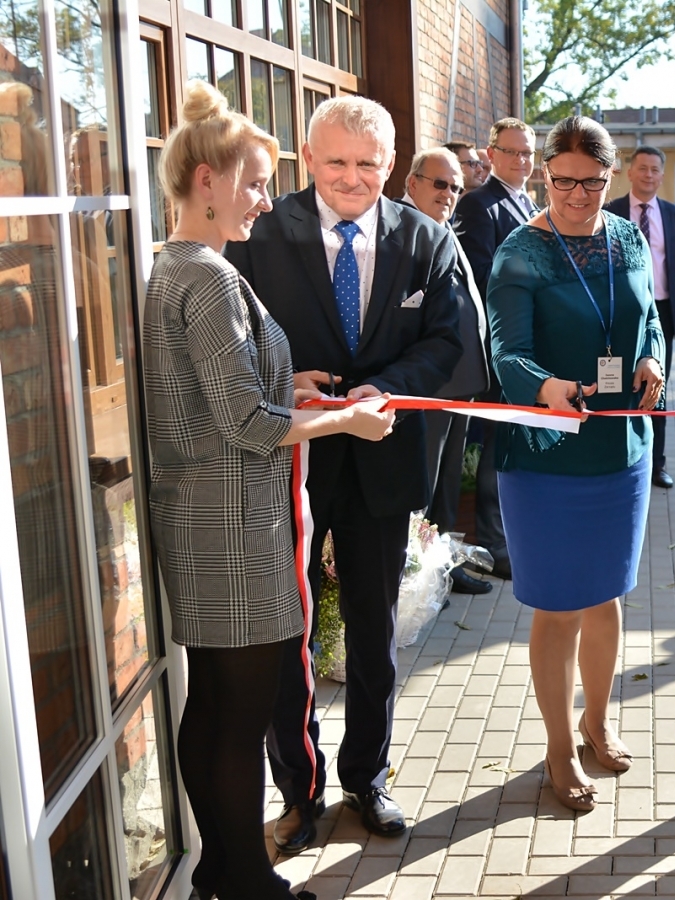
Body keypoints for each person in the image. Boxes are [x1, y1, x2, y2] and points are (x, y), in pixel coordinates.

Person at [144, 81, 396, 900]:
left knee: (213, 708)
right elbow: (248, 424)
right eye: (254, 183)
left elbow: (214, 399)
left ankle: (220, 867)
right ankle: (249, 881)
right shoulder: (211, 278)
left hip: (202, 522)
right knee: (238, 716)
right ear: (207, 181)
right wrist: (345, 420)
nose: (265, 199)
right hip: (235, 531)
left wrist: (293, 387)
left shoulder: (174, 267)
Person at [225, 95, 462, 852]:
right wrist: (283, 381)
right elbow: (230, 343)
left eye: (367, 164)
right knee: (286, 633)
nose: (352, 177)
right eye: (335, 162)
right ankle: (300, 791)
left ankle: (368, 776)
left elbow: (449, 342)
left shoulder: (426, 240)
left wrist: (385, 386)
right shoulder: (260, 233)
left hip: (382, 462)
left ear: (390, 163)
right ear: (307, 158)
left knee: (374, 630)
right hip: (286, 460)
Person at [486, 115, 665, 812]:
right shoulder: (520, 252)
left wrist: (650, 359)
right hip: (547, 456)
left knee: (606, 596)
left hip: (621, 449)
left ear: (610, 177)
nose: (578, 195)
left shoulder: (628, 237)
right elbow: (506, 351)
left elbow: (650, 319)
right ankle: (559, 747)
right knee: (560, 606)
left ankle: (597, 720)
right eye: (564, 181)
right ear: (544, 175)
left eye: (592, 182)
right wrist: (544, 389)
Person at [400, 147, 494, 595]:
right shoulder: (400, 229)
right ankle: (414, 580)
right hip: (430, 385)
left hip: (461, 382)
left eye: (456, 187)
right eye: (440, 184)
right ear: (412, 182)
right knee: (423, 484)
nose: (449, 194)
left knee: (448, 483)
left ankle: (443, 570)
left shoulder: (440, 226)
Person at [452, 117, 540, 578]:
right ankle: (493, 543)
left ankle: (516, 534)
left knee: (519, 440)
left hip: (531, 344)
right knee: (497, 442)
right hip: (501, 345)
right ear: (491, 155)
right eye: (512, 152)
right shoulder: (478, 205)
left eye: (528, 153)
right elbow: (481, 276)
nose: (521, 160)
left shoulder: (531, 203)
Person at [605, 146, 675, 489]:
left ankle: (657, 463)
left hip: (662, 310)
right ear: (630, 172)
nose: (649, 175)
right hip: (619, 313)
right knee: (616, 383)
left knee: (657, 386)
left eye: (655, 169)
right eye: (642, 168)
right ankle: (617, 456)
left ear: (662, 175)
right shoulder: (610, 211)